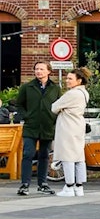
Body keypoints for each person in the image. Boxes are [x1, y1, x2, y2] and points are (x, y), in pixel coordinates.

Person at [13, 61, 60, 196]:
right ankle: (25, 184)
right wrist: (26, 116)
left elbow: (58, 105)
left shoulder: (55, 88)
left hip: (47, 127)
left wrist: (53, 119)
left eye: (41, 69)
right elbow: (19, 105)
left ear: (49, 71)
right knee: (28, 154)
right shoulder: (27, 87)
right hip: (31, 126)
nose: (38, 71)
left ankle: (43, 184)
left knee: (44, 156)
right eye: (36, 69)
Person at [51, 67, 91, 197]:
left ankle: (69, 186)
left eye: (70, 79)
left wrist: (62, 109)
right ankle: (79, 187)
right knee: (79, 157)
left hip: (67, 126)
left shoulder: (72, 94)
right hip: (78, 125)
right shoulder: (84, 93)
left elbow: (54, 107)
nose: (67, 80)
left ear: (79, 80)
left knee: (67, 156)